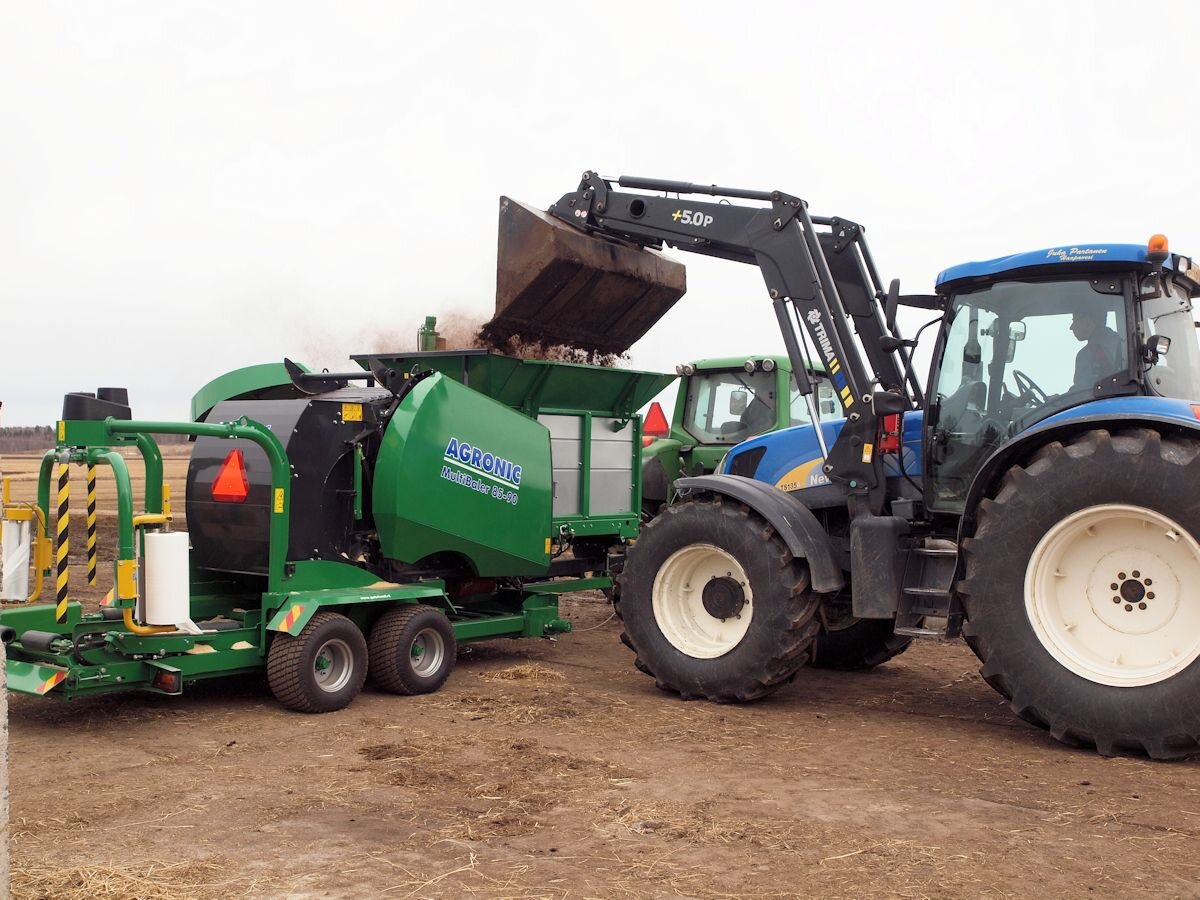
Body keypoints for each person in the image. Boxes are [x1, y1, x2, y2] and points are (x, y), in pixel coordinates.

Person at [1070, 306, 1122, 392]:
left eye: (1075, 320)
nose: (1071, 327)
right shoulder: (1120, 341)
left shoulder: (1086, 354)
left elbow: (1082, 392)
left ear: (1086, 321)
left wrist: (1058, 401)